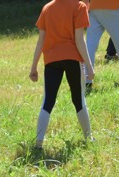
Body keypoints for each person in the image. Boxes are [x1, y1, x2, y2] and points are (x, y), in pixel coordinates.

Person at [29, 0, 94, 150]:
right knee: (79, 100)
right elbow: (79, 40)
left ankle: (38, 143)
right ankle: (89, 137)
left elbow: (41, 41)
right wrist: (89, 66)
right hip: (73, 59)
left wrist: (33, 67)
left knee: (48, 101)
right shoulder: (79, 6)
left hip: (51, 60)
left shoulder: (47, 8)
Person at [85, 0, 119, 84]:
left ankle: (87, 80)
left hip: (94, 8)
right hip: (114, 7)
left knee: (89, 46)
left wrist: (85, 7)